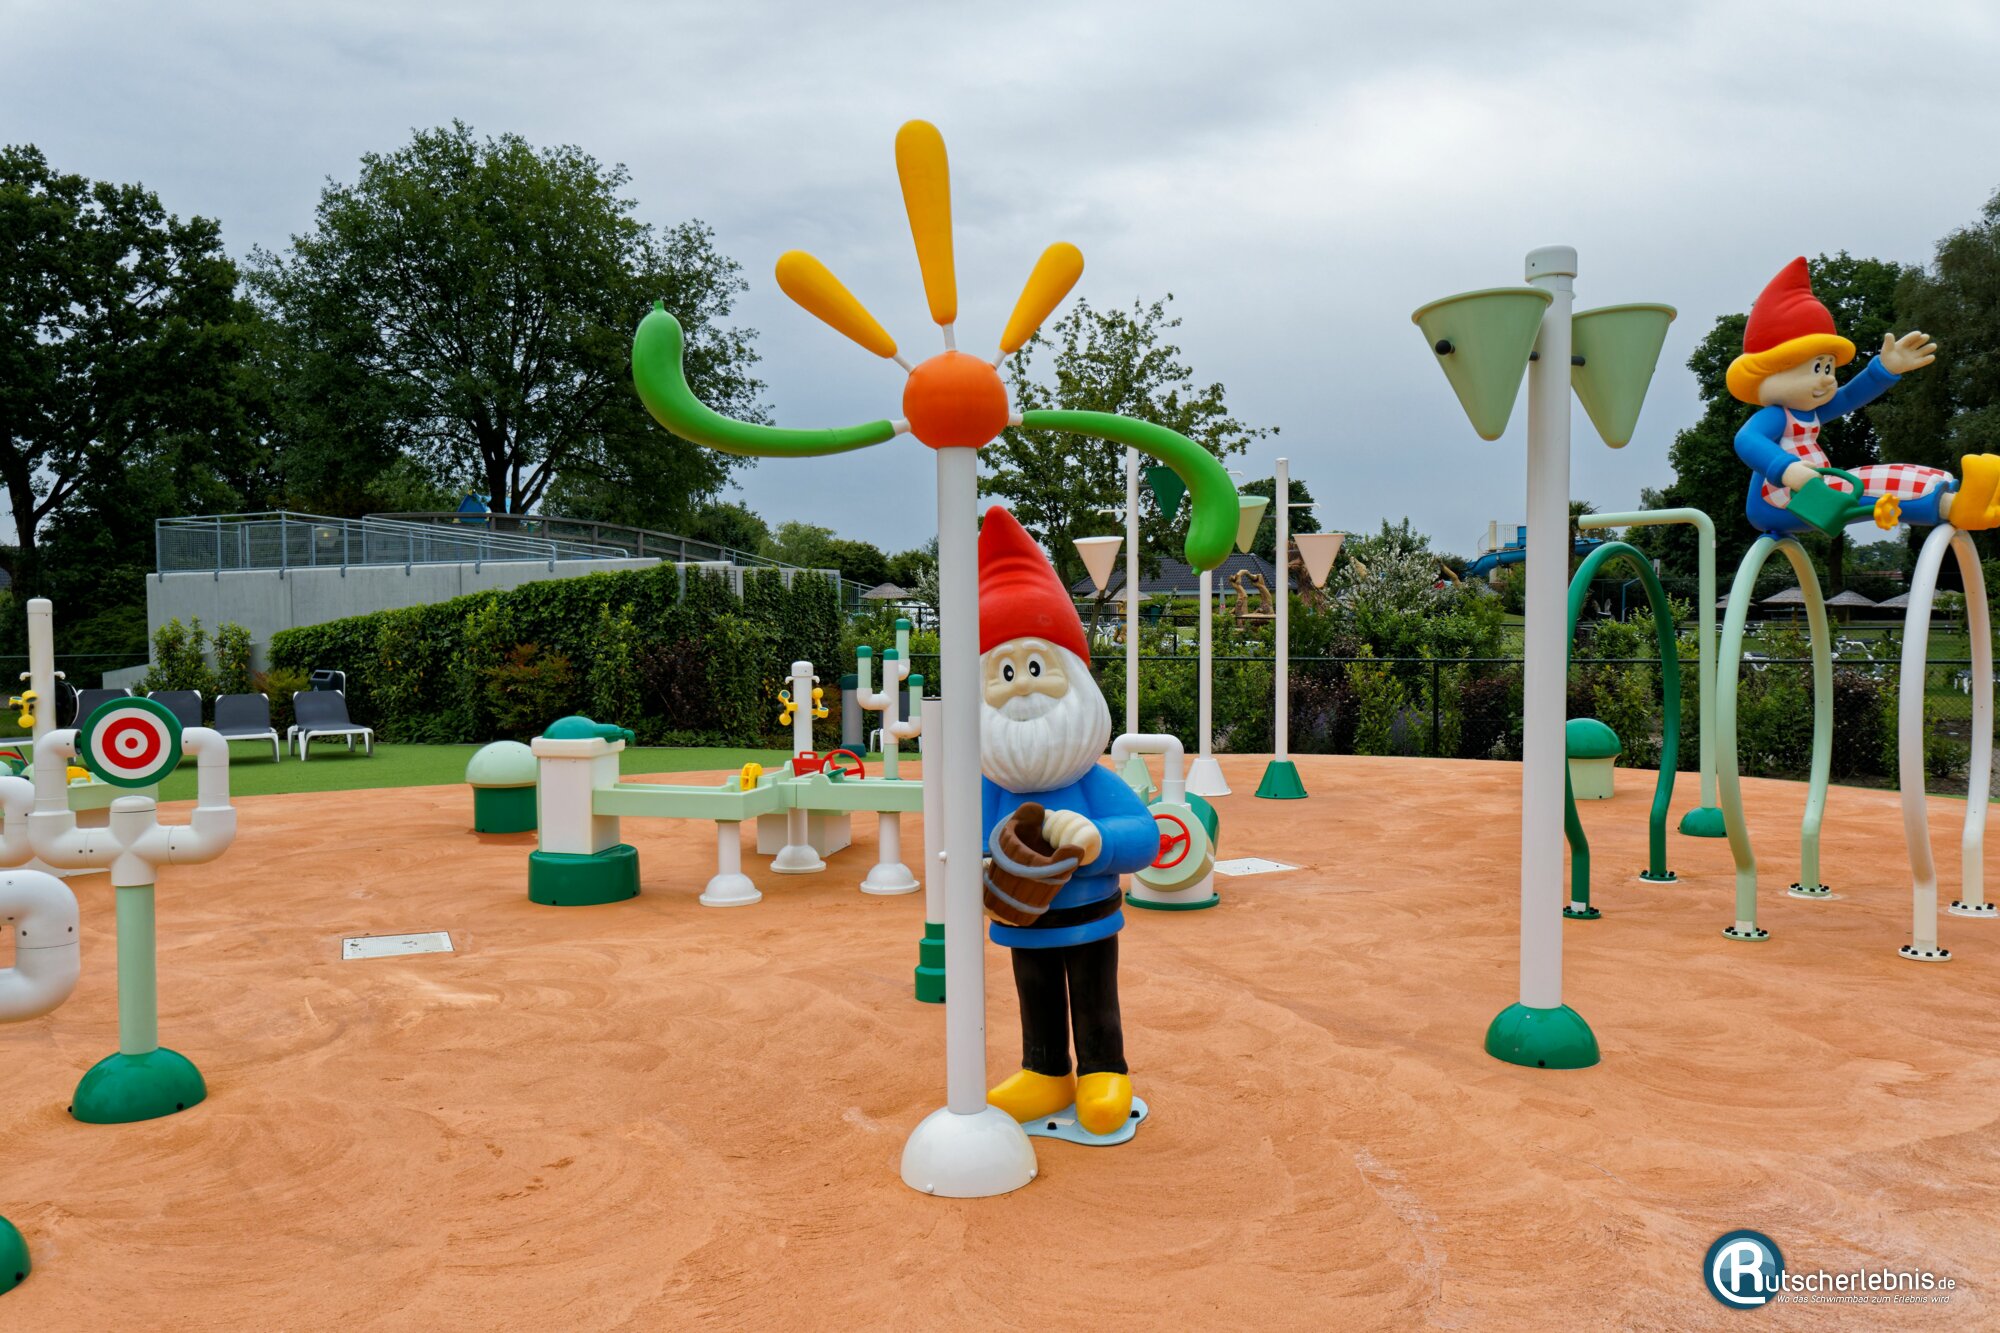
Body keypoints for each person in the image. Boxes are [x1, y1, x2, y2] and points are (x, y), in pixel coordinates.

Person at [977, 506, 1159, 1136]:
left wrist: (1097, 838)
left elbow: (1146, 836)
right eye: (1004, 674)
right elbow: (960, 840)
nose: (1022, 689)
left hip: (1088, 917)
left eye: (1036, 668)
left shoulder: (1092, 780)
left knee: (1093, 994)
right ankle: (1045, 1070)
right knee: (1035, 994)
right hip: (1021, 919)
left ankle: (1104, 1070)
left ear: (1074, 679)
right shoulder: (991, 786)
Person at [1729, 257, 1999, 534]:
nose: (1828, 378)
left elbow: (1849, 397)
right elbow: (1747, 439)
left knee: (1886, 475)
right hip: (1781, 500)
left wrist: (1885, 369)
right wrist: (1786, 469)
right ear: (1768, 372)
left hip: (1813, 489)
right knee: (1868, 486)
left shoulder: (1809, 414)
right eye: (1817, 368)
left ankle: (1964, 499)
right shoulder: (1775, 417)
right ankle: (1954, 507)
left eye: (1828, 368)